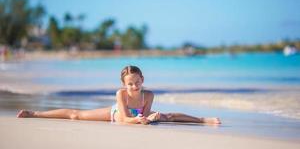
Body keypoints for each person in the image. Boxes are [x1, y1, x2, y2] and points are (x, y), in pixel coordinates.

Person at [17, 65, 221, 125]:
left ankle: (203, 119)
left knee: (169, 116)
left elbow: (146, 115)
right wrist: (139, 120)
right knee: (75, 115)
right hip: (118, 114)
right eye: (130, 84)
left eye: (137, 82)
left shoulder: (148, 95)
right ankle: (35, 114)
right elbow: (123, 119)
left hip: (137, 116)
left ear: (143, 79)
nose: (134, 86)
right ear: (124, 84)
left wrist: (148, 118)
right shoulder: (121, 94)